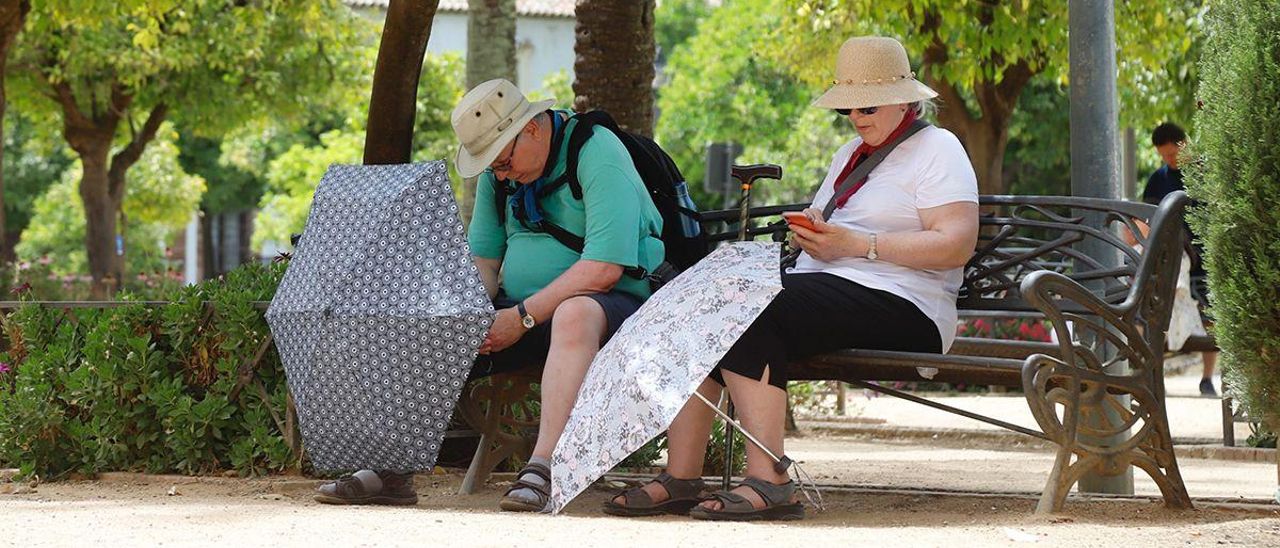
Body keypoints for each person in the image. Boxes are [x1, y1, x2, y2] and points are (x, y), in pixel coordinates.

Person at [604, 36, 979, 521]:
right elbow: (835, 230)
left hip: (906, 302)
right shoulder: (851, 151)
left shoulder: (938, 148)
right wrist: (814, 233)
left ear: (904, 99)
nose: (857, 117)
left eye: (867, 106)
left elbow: (955, 243)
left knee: (750, 307)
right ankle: (682, 477)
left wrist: (859, 245)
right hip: (833, 288)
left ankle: (770, 481)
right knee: (701, 299)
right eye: (846, 108)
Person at [315, 79, 665, 509]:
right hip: (521, 310)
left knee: (574, 312)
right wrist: (462, 315)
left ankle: (545, 468)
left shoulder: (597, 152)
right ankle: (390, 467)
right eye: (493, 167)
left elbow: (604, 268)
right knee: (425, 321)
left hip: (611, 304)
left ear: (532, 129)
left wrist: (520, 318)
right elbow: (484, 263)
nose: (501, 174)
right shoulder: (500, 175)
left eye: (503, 161)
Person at [1142, 122, 1218, 397]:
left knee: (1211, 317)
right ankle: (1152, 374)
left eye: (1171, 154)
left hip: (1204, 255)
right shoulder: (1157, 179)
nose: (1168, 160)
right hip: (1169, 258)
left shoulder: (1204, 174)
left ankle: (1208, 377)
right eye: (1163, 156)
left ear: (1182, 145)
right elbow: (1147, 220)